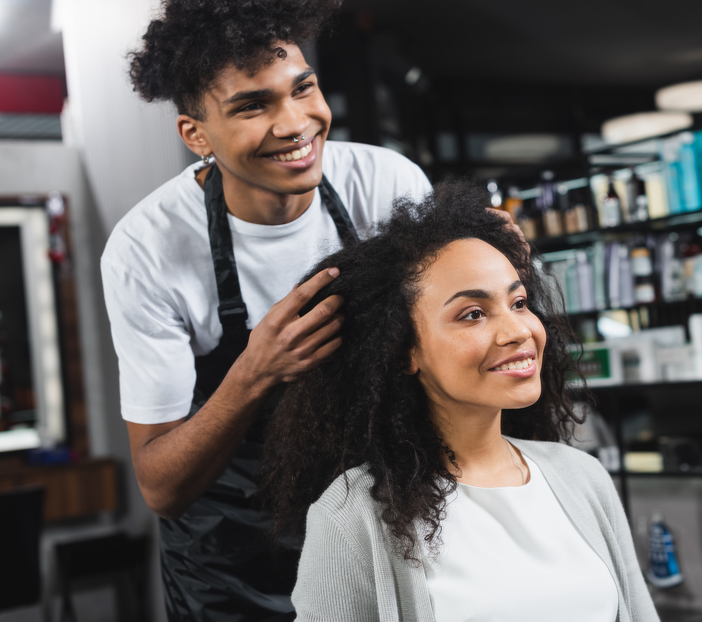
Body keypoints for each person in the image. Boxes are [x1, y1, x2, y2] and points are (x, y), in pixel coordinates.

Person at [100, 0, 434, 621]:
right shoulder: (148, 249)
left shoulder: (384, 185)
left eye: (302, 89)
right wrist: (254, 371)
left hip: (375, 527)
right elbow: (162, 485)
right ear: (196, 134)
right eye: (253, 106)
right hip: (233, 566)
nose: (296, 123)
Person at [259, 183, 659, 622]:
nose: (518, 331)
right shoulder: (353, 512)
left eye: (519, 302)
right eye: (473, 313)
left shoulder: (581, 477)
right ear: (402, 350)